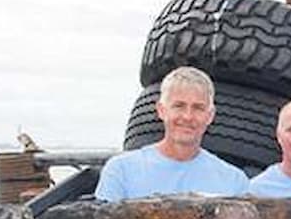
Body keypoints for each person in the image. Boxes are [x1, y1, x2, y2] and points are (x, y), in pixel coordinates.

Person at [95, 66, 248, 201]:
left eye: (198, 108)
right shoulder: (121, 171)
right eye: (179, 106)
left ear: (210, 115)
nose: (188, 117)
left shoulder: (234, 182)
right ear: (161, 110)